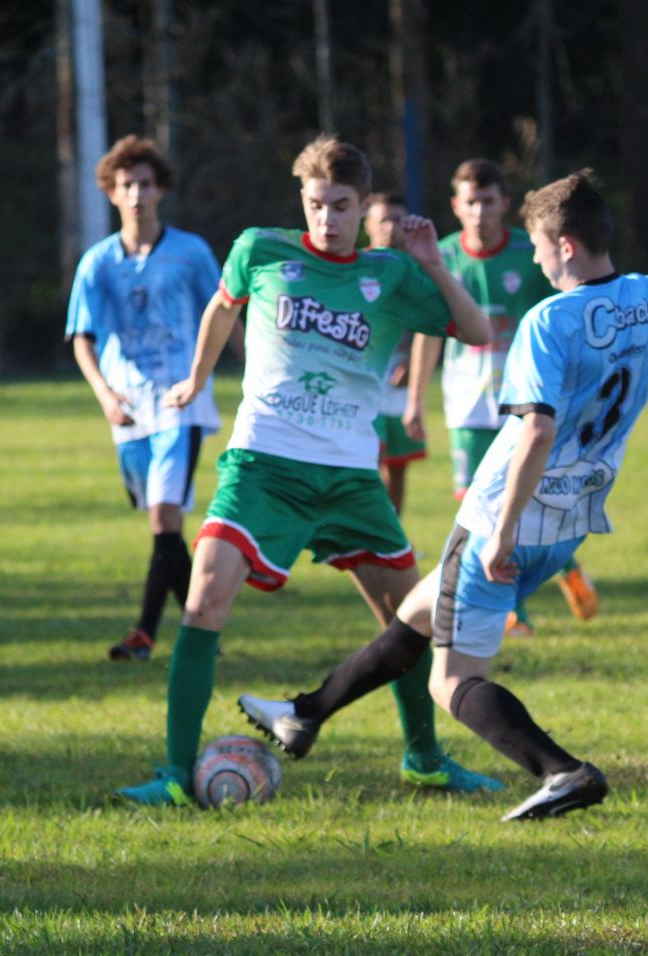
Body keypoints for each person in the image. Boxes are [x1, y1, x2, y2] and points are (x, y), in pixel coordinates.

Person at [240, 169, 648, 820]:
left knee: (451, 680)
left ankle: (562, 771)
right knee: (417, 611)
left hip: (506, 514)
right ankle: (305, 713)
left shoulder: (548, 321)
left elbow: (537, 430)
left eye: (540, 247)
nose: (538, 260)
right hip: (573, 518)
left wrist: (501, 531)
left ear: (568, 246)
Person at [115, 134, 501, 806]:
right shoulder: (261, 250)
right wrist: (194, 379)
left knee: (409, 617)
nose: (327, 219)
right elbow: (220, 308)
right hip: (262, 465)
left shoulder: (394, 274)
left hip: (351, 477)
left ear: (362, 206)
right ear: (303, 198)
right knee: (203, 601)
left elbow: (475, 331)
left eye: (342, 206)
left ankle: (425, 760)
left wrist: (434, 265)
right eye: (317, 204)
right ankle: (175, 775)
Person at [408, 159, 598, 634]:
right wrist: (415, 399)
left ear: (503, 204)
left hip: (527, 402)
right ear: (456, 206)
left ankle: (559, 571)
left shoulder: (530, 254)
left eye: (487, 201)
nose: (479, 211)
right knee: (478, 508)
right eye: (469, 202)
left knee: (524, 499)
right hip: (467, 404)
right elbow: (430, 332)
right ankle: (519, 606)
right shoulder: (444, 256)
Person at [67, 135, 232, 663]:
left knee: (165, 519)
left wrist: (254, 369)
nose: (136, 194)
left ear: (160, 189)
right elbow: (82, 336)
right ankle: (202, 632)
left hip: (182, 402)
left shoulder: (191, 252)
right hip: (128, 408)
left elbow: (227, 310)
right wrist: (104, 395)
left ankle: (143, 634)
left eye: (145, 184)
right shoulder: (97, 262)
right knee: (164, 529)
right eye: (126, 186)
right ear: (111, 194)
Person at [363, 192, 426, 512]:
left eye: (398, 219)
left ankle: (394, 533)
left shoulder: (416, 270)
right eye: (383, 219)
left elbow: (430, 324)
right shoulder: (356, 266)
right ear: (368, 224)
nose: (391, 227)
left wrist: (413, 369)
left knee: (397, 465)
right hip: (363, 380)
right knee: (367, 459)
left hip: (400, 382)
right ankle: (368, 529)